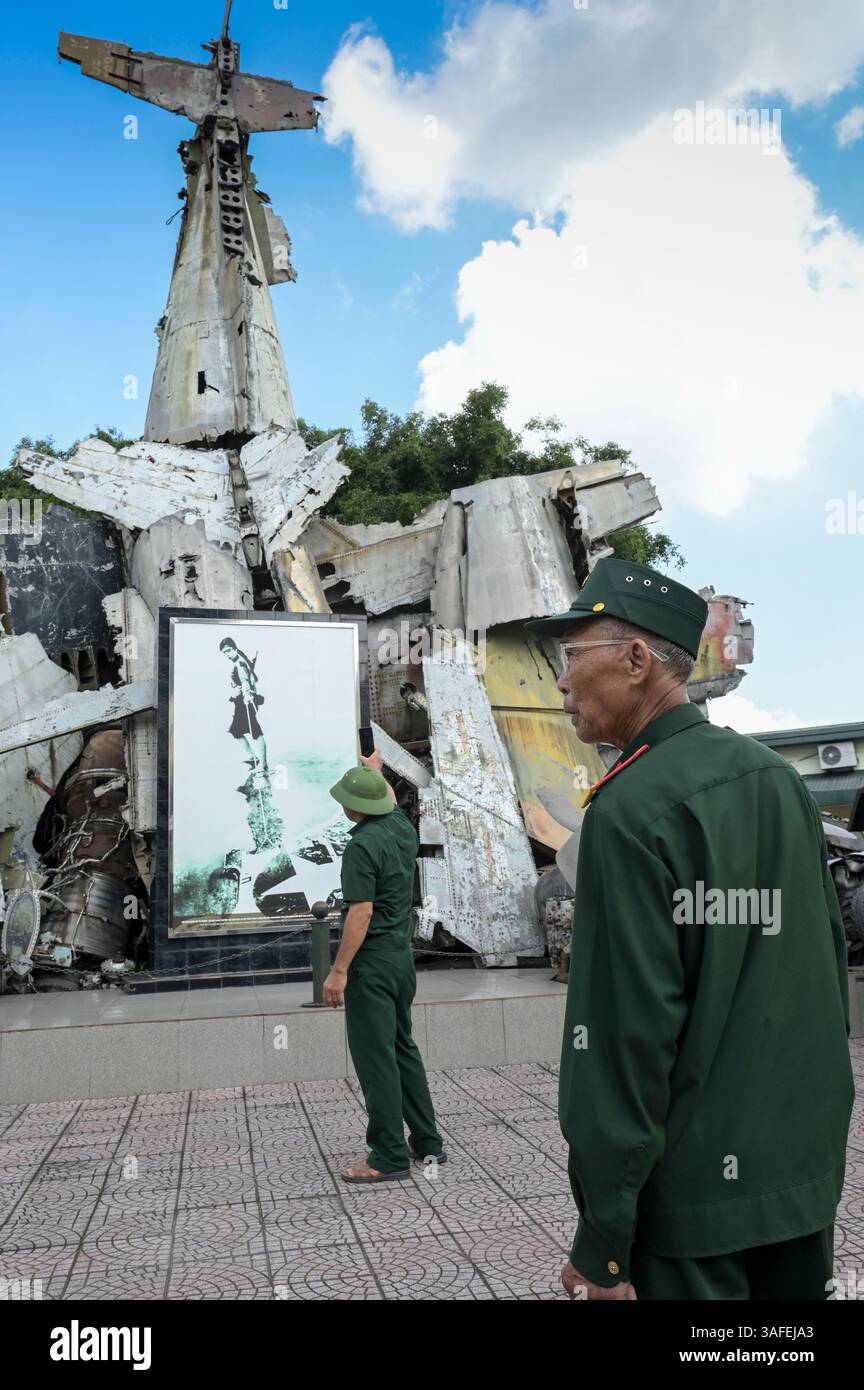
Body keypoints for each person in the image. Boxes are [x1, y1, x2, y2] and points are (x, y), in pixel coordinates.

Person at [525, 556, 854, 1301]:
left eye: (571, 657)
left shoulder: (630, 810)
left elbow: (622, 1042)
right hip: (799, 1182)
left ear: (637, 660)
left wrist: (603, 1245)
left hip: (695, 1210)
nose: (562, 681)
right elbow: (824, 976)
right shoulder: (776, 780)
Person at [323, 754, 445, 1183]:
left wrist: (339, 971)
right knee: (402, 1048)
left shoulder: (360, 846)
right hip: (400, 960)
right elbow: (390, 800)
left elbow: (360, 913)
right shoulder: (399, 828)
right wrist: (374, 770)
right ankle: (427, 1142)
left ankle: (388, 1155)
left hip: (371, 966)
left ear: (353, 807)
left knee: (376, 1059)